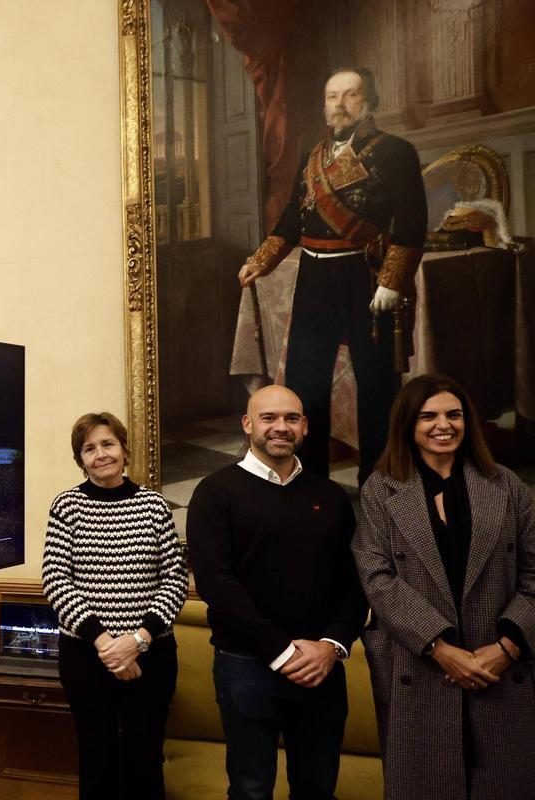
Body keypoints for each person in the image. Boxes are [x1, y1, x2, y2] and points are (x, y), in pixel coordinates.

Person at [238, 66, 428, 485]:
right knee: (306, 383)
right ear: (324, 106)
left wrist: (391, 282)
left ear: (370, 101)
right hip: (314, 278)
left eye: (350, 95)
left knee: (377, 383)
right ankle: (310, 483)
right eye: (332, 97)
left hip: (366, 275)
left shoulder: (396, 152)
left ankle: (380, 484)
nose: (339, 105)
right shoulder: (313, 153)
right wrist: (263, 258)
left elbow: (413, 225)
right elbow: (293, 217)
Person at [352, 374, 535, 799]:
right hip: (421, 668)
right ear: (408, 426)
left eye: (454, 414)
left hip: (501, 667)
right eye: (428, 416)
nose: (443, 425)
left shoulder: (506, 486)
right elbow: (377, 578)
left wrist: (506, 649)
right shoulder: (381, 489)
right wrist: (441, 648)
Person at [187, 384, 367, 800]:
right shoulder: (215, 493)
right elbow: (218, 585)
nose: (280, 427)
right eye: (269, 418)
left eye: (291, 418)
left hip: (321, 667)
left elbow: (355, 581)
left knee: (318, 789)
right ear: (248, 424)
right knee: (251, 790)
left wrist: (331, 646)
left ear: (304, 426)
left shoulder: (330, 496)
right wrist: (283, 652)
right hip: (246, 667)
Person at [42, 411, 188, 799]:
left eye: (108, 444)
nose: (100, 454)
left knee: (144, 762)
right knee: (96, 762)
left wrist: (136, 641)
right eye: (89, 449)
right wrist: (106, 644)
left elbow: (174, 580)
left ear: (124, 450)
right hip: (86, 656)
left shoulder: (154, 506)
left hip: (151, 656)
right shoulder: (66, 506)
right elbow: (56, 581)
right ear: (81, 460)